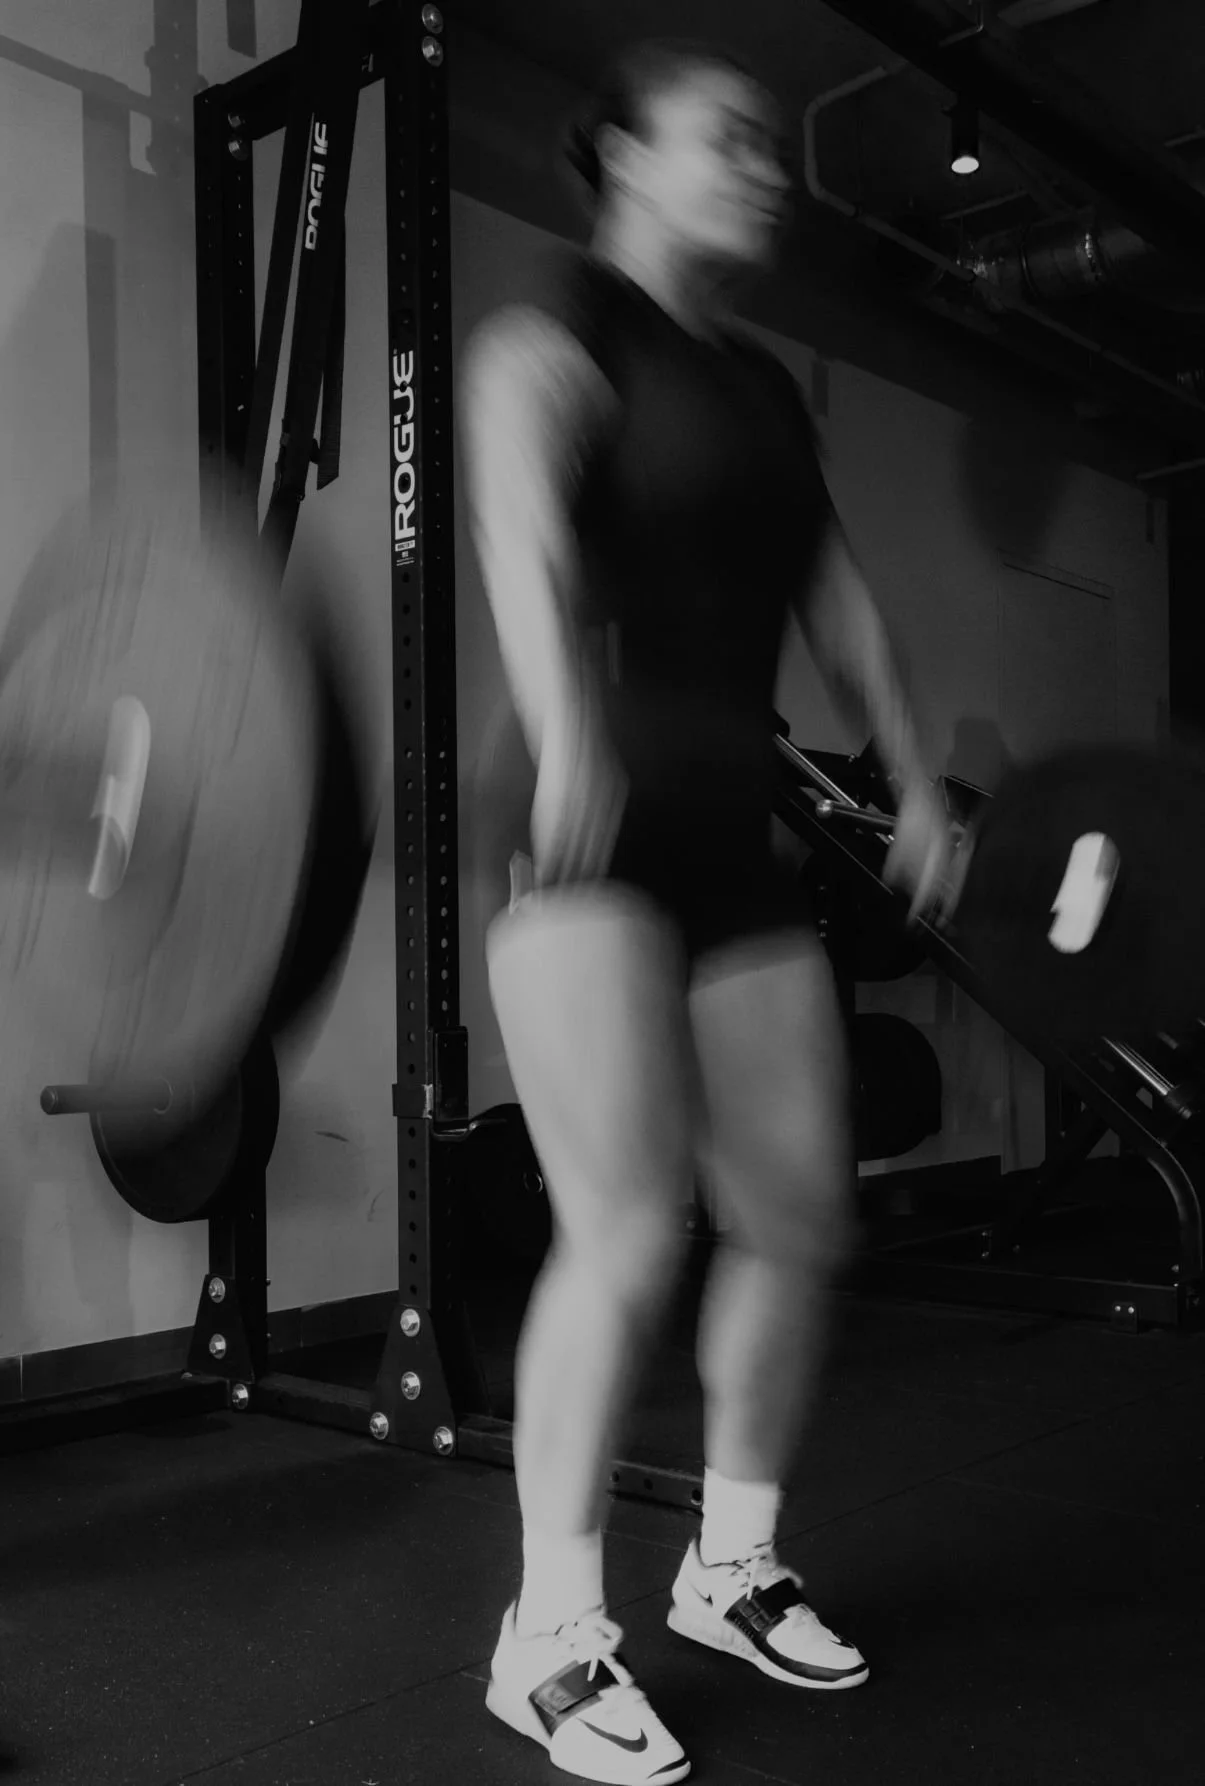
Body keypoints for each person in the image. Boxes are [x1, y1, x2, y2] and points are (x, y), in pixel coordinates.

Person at [459, 38, 951, 1785]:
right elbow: (513, 509)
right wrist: (562, 707)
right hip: (585, 821)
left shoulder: (757, 388)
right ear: (624, 159)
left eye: (770, 141)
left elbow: (842, 598)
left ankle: (728, 1561)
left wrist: (910, 765)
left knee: (806, 1219)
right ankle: (549, 1637)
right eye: (726, 137)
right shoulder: (558, 337)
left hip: (731, 845)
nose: (767, 163)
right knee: (626, 1228)